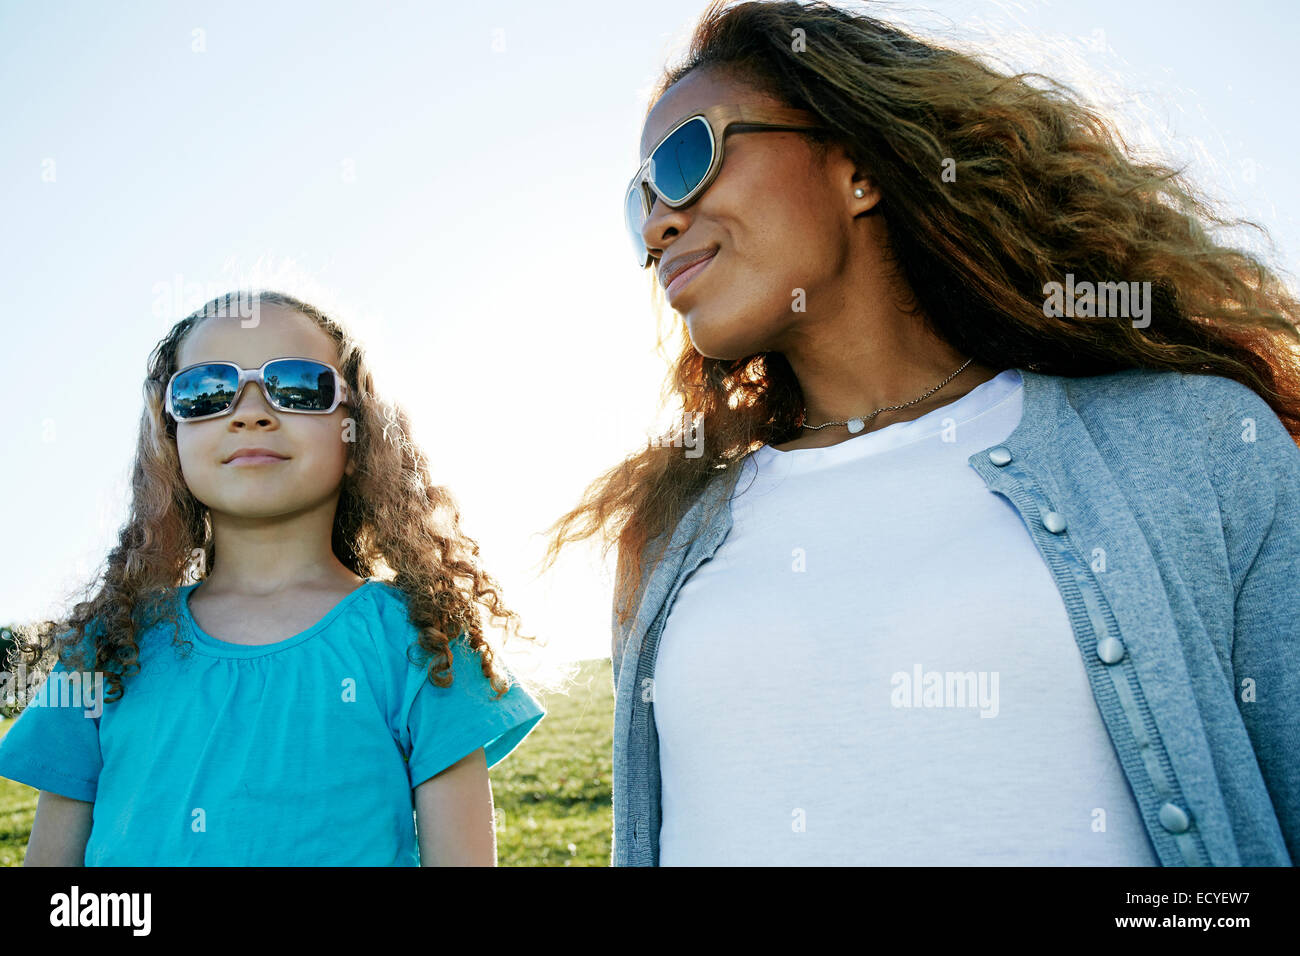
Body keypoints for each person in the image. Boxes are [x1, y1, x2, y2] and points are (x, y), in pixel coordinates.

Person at [541, 0, 1300, 865]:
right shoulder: (665, 532)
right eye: (638, 200)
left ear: (857, 165)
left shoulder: (1192, 446)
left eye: (686, 160)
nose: (656, 225)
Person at [0, 290, 545, 866]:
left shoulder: (424, 639)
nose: (251, 412)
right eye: (205, 392)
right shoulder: (108, 646)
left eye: (299, 386)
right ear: (170, 440)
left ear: (357, 438)